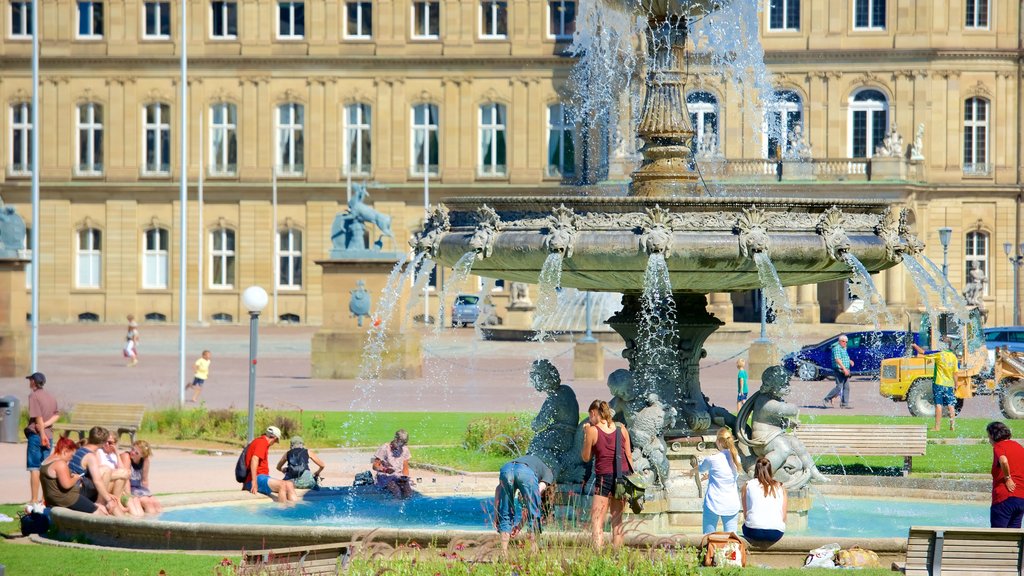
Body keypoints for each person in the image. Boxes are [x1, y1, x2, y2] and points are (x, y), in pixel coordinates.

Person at [581, 399, 634, 550]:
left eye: (589, 416)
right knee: (617, 521)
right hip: (622, 477)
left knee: (597, 520)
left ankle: (598, 557)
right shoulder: (621, 428)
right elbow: (629, 456)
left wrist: (586, 434)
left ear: (593, 413)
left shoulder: (593, 430)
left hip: (604, 476)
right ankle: (617, 556)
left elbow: (585, 457)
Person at [68, 427, 141, 516]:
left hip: (75, 486)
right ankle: (101, 503)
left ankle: (115, 503)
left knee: (115, 472)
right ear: (102, 442)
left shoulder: (81, 450)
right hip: (78, 490)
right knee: (106, 470)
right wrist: (108, 498)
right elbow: (97, 481)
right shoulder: (90, 455)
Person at [493, 454, 556, 553]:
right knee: (534, 515)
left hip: (506, 469)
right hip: (525, 473)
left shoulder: (532, 462)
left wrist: (496, 514)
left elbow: (498, 490)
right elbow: (533, 502)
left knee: (505, 512)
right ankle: (533, 552)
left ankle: (503, 554)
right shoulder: (549, 474)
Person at [40, 437, 108, 515]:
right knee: (97, 511)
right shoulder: (60, 464)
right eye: (71, 455)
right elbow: (66, 485)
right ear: (65, 451)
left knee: (94, 504)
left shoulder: (46, 461)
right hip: (66, 498)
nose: (71, 458)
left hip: (52, 499)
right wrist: (76, 478)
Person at [699, 427, 742, 535]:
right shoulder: (737, 459)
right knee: (732, 539)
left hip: (713, 502)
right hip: (731, 503)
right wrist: (710, 475)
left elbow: (701, 468)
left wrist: (691, 471)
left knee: (708, 537)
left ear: (718, 441)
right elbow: (725, 473)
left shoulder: (712, 459)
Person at [25, 371, 59, 507]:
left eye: (30, 380)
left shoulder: (33, 396)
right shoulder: (50, 396)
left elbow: (37, 416)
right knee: (45, 468)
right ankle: (45, 499)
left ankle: (34, 499)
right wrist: (45, 426)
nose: (29, 382)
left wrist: (41, 432)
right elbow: (57, 415)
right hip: (49, 435)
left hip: (37, 436)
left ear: (34, 382)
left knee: (34, 467)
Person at [912, 338, 959, 431]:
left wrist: (915, 346)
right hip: (949, 384)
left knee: (938, 405)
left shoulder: (939, 354)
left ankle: (937, 427)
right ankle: (952, 425)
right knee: (951, 405)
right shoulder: (953, 357)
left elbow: (923, 352)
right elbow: (955, 373)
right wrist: (956, 384)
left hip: (939, 383)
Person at [243, 426, 299, 503]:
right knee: (282, 485)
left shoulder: (259, 442)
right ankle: (282, 512)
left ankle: (295, 511)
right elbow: (254, 459)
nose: (274, 443)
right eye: (276, 441)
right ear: (274, 438)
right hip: (256, 478)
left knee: (289, 484)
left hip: (262, 477)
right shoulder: (262, 442)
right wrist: (254, 481)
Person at [741, 457, 787, 544]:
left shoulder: (747, 485)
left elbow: (745, 514)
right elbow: (783, 517)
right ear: (770, 470)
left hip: (753, 531)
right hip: (776, 533)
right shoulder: (780, 487)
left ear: (756, 470)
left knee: (746, 525)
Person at [987, 421, 1024, 528]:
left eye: (989, 436)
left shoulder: (999, 446)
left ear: (993, 435)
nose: (989, 440)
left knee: (998, 537)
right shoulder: (1019, 446)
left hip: (1004, 498)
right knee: (1013, 537)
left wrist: (1008, 478)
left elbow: (1003, 460)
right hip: (1021, 499)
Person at [120, 439, 163, 513]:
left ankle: (160, 522)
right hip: (129, 488)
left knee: (156, 503)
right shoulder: (126, 457)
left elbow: (144, 480)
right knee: (147, 503)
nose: (132, 452)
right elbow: (125, 479)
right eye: (132, 449)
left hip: (138, 488)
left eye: (136, 452)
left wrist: (147, 494)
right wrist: (129, 496)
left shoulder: (145, 461)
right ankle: (149, 522)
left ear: (142, 455)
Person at [373, 429, 414, 499]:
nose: (402, 445)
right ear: (396, 439)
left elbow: (405, 468)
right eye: (401, 443)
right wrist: (385, 470)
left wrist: (405, 478)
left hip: (398, 476)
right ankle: (395, 507)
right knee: (396, 492)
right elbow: (375, 466)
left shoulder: (405, 449)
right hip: (385, 476)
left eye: (404, 443)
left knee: (409, 493)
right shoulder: (385, 448)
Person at [823, 334, 853, 408]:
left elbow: (843, 357)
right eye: (843, 341)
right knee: (839, 387)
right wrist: (845, 369)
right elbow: (837, 360)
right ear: (839, 341)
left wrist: (849, 361)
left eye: (846, 342)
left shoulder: (843, 348)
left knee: (846, 387)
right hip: (839, 370)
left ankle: (844, 404)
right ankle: (826, 399)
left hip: (845, 369)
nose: (845, 343)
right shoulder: (837, 348)